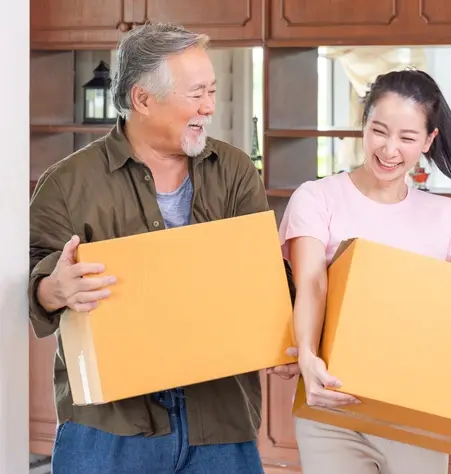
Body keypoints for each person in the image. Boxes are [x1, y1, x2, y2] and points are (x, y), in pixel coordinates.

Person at [28, 23, 298, 474]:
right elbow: (33, 284)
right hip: (108, 425)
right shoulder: (67, 184)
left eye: (212, 91)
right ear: (142, 99)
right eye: (196, 94)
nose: (209, 107)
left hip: (220, 414)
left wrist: (282, 328)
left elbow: (265, 277)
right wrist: (54, 289)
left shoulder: (234, 171)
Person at [278, 69, 451, 474]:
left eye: (407, 138)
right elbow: (312, 285)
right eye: (379, 131)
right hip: (331, 405)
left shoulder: (443, 215)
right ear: (364, 125)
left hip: (417, 412)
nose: (389, 149)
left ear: (429, 140)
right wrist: (306, 356)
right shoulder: (317, 197)